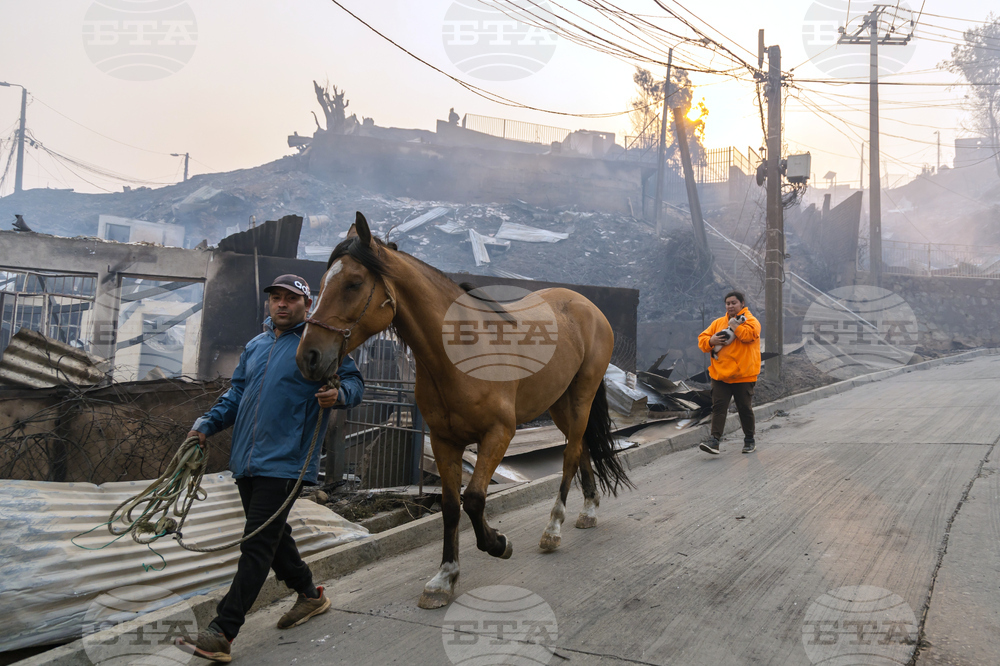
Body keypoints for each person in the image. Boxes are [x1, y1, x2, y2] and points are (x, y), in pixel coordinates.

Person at [176, 274, 364, 663]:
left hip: (287, 462)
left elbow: (354, 384)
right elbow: (237, 394)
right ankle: (310, 595)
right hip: (247, 460)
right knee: (273, 537)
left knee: (256, 543)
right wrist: (205, 425)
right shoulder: (257, 345)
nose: (281, 304)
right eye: (275, 298)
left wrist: (339, 394)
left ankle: (223, 631)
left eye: (291, 299)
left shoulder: (320, 343)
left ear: (306, 305)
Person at [697, 290, 761, 455]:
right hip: (721, 375)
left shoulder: (751, 321)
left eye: (734, 303)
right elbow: (702, 339)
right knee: (718, 407)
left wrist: (735, 327)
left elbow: (748, 336)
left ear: (742, 304)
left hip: (743, 375)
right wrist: (710, 341)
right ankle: (714, 441)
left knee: (744, 408)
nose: (730, 306)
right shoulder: (718, 323)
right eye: (728, 303)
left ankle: (749, 440)